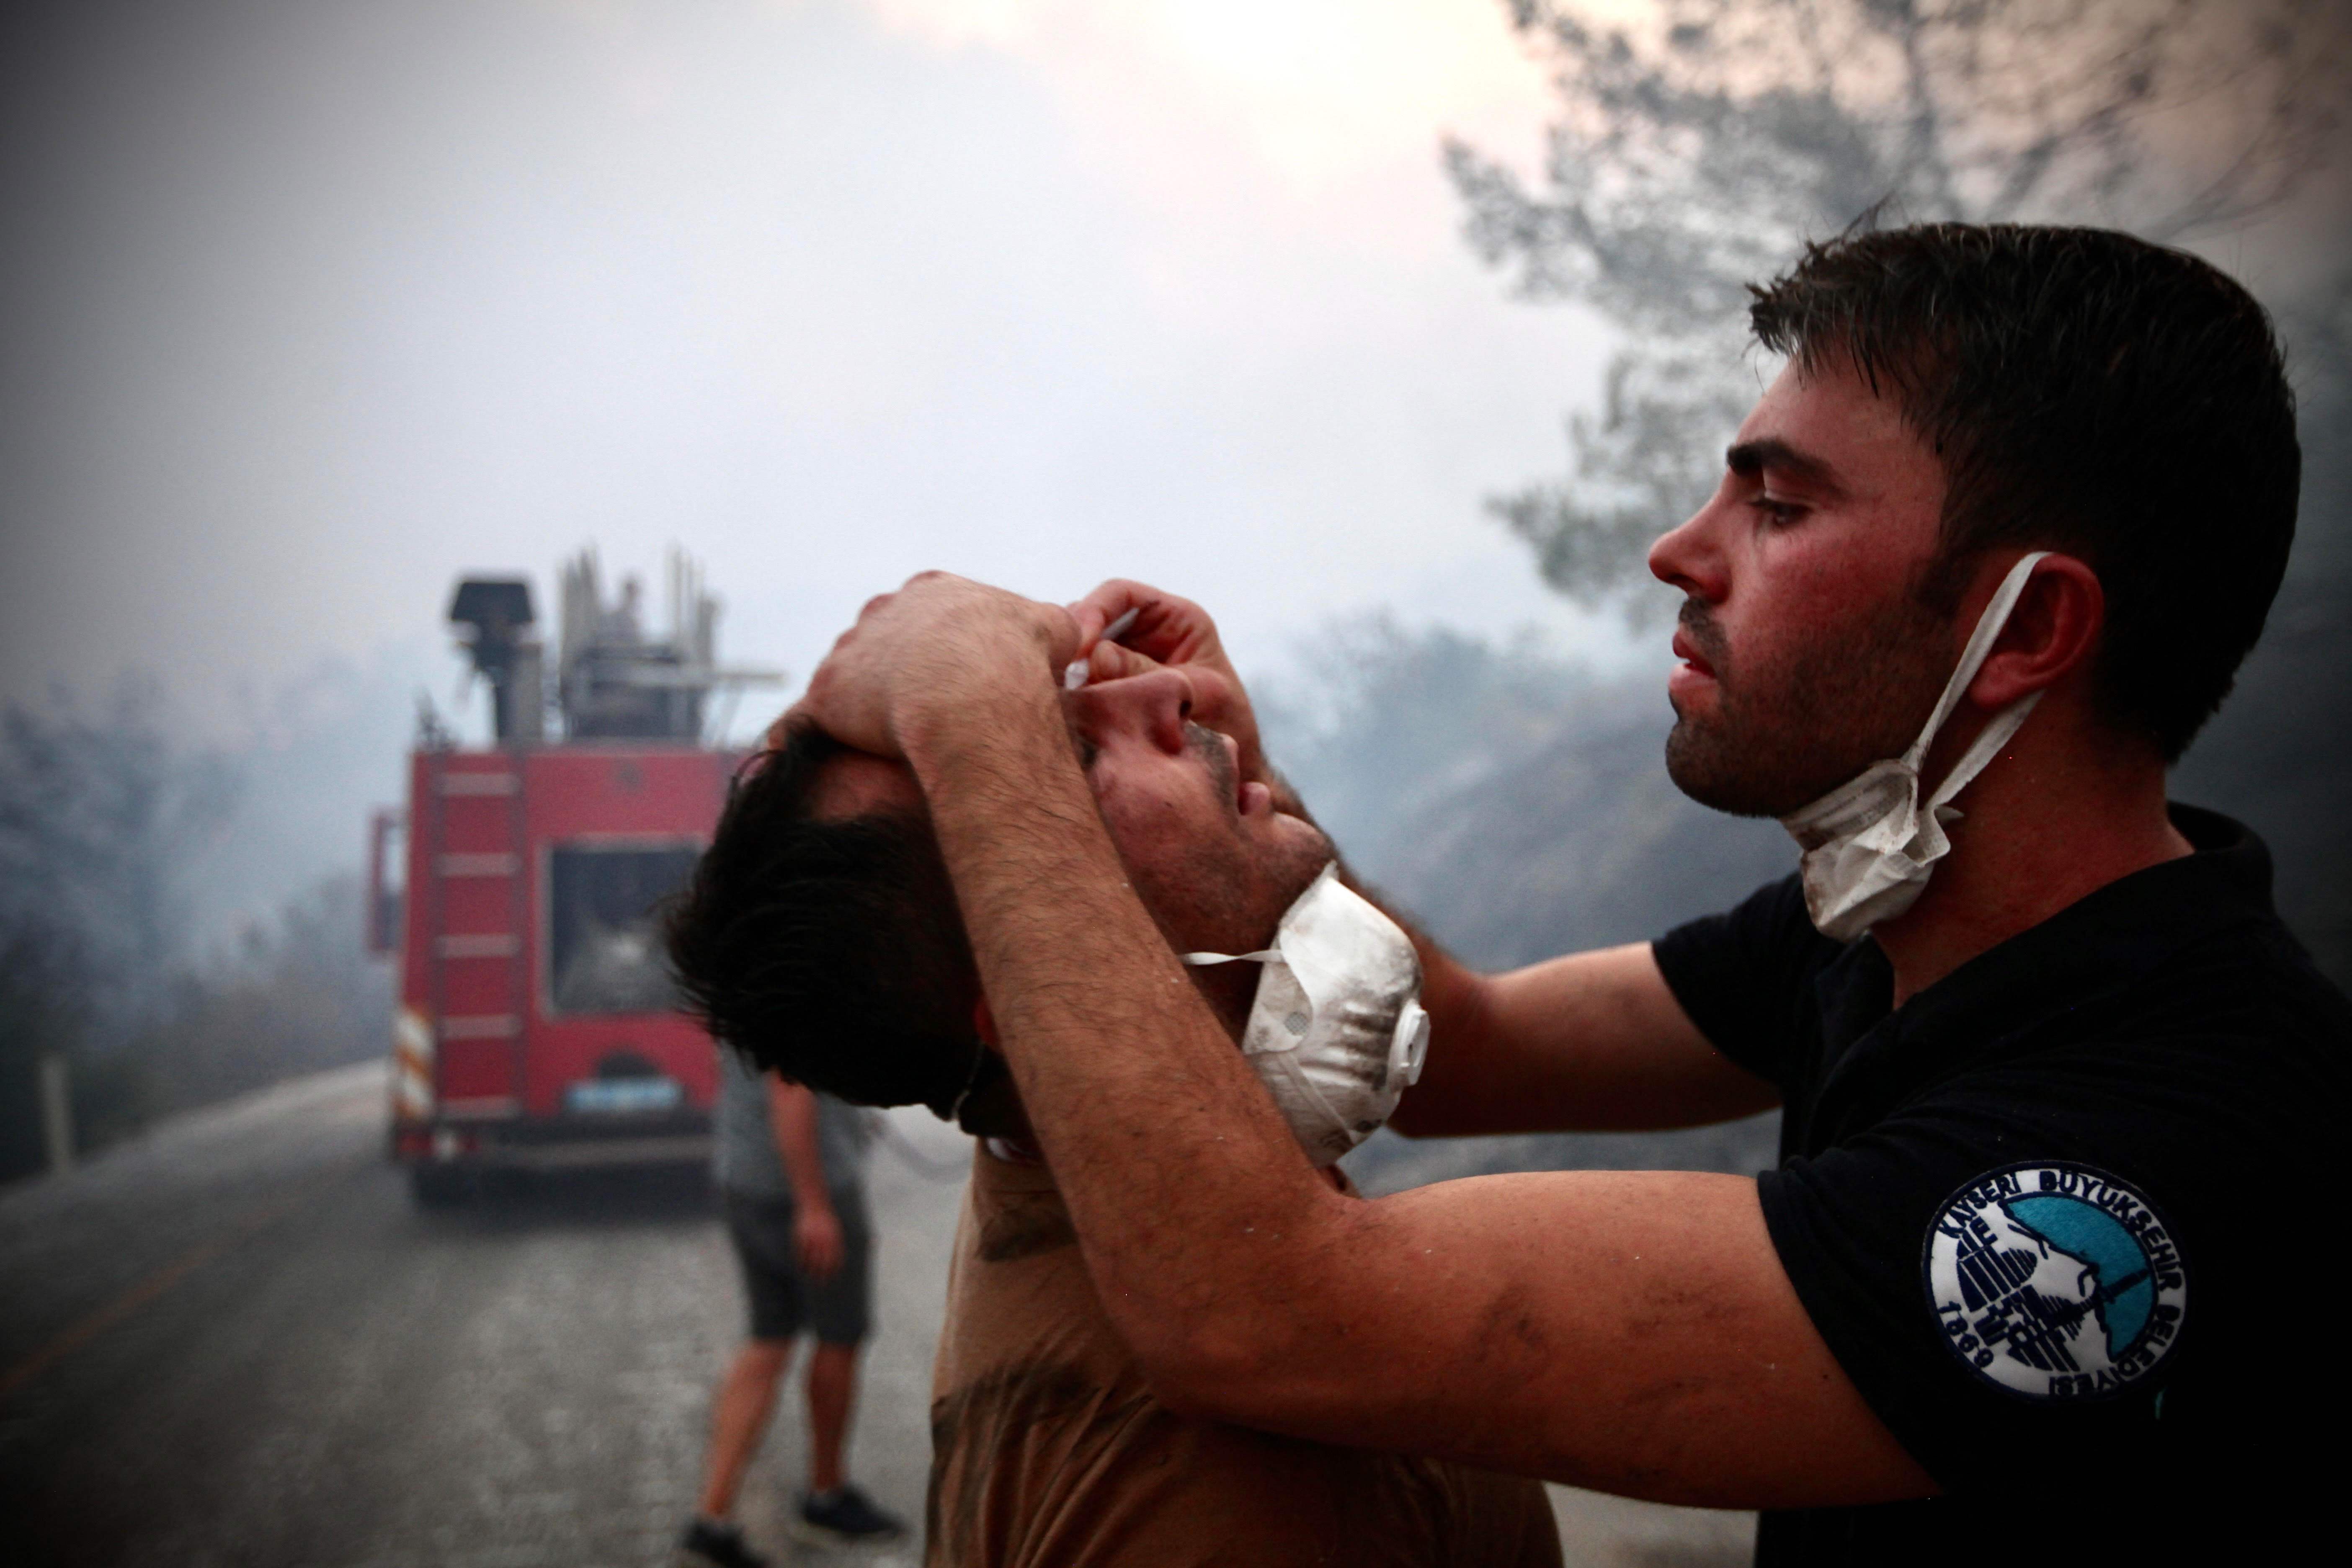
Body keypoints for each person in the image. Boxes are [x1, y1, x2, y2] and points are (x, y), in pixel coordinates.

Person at [779, 222, 2352, 1564]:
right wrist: (1242, 769)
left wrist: (981, 729)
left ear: (2022, 632)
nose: (1680, 549)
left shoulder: (2158, 1144)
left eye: (1778, 504)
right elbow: (1455, 1049)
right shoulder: (1883, 930)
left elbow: (1268, 1313)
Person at [666, 693, 1565, 1566]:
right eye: (1072, 761)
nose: (1161, 688)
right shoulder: (1222, 1483)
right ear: (1037, 988)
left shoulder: (1066, 1173)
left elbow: (1485, 1045)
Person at [679, 1046, 905, 1567]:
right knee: (839, 1336)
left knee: (769, 1339)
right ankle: (825, 1497)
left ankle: (710, 1522)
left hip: (745, 1178)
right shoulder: (792, 971)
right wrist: (814, 1204)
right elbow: (789, 1088)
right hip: (806, 1189)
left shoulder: (730, 974)